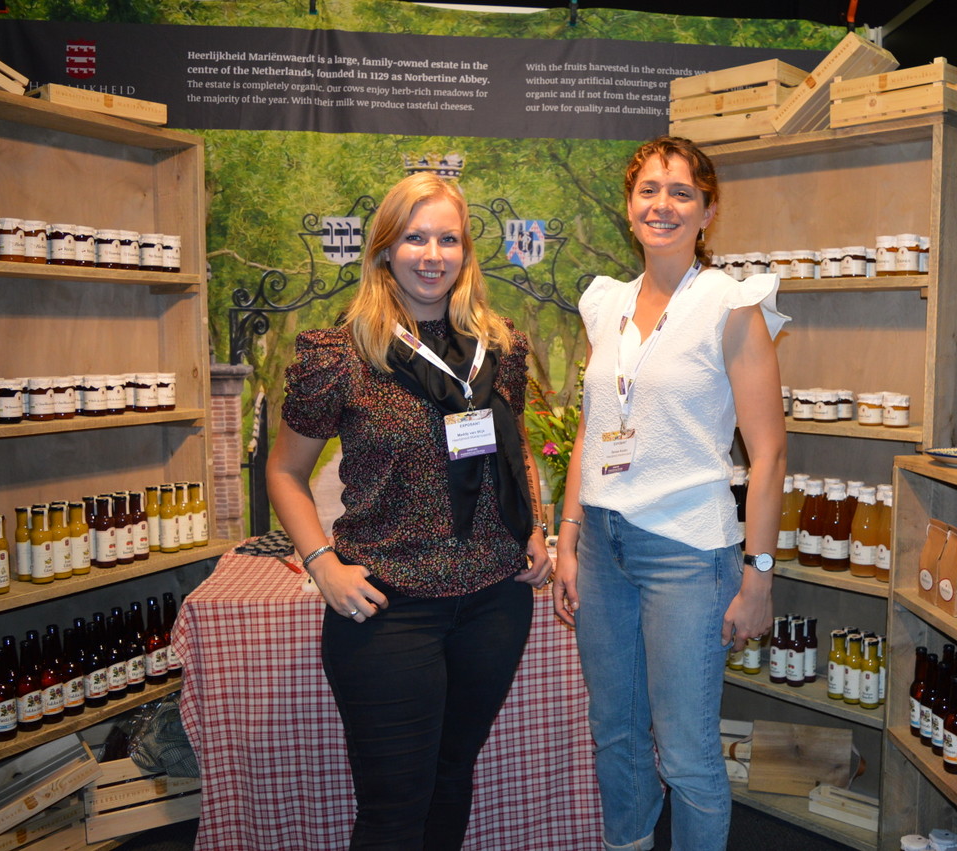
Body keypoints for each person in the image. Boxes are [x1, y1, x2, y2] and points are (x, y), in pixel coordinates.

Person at [267, 170, 553, 850]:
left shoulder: (498, 346)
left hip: (494, 600)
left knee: (453, 779)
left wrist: (535, 525)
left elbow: (514, 445)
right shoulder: (342, 354)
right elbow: (284, 471)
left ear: (466, 251)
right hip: (387, 606)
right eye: (415, 238)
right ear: (385, 250)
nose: (432, 255)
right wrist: (322, 564)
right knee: (395, 808)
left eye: (448, 239)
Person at [552, 135, 788, 851]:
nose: (663, 205)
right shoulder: (606, 304)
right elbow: (592, 429)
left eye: (681, 192)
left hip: (688, 552)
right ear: (629, 207)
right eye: (649, 190)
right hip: (603, 546)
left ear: (707, 211)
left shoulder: (729, 304)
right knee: (616, 733)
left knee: (685, 754)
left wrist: (759, 575)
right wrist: (568, 537)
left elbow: (769, 452)